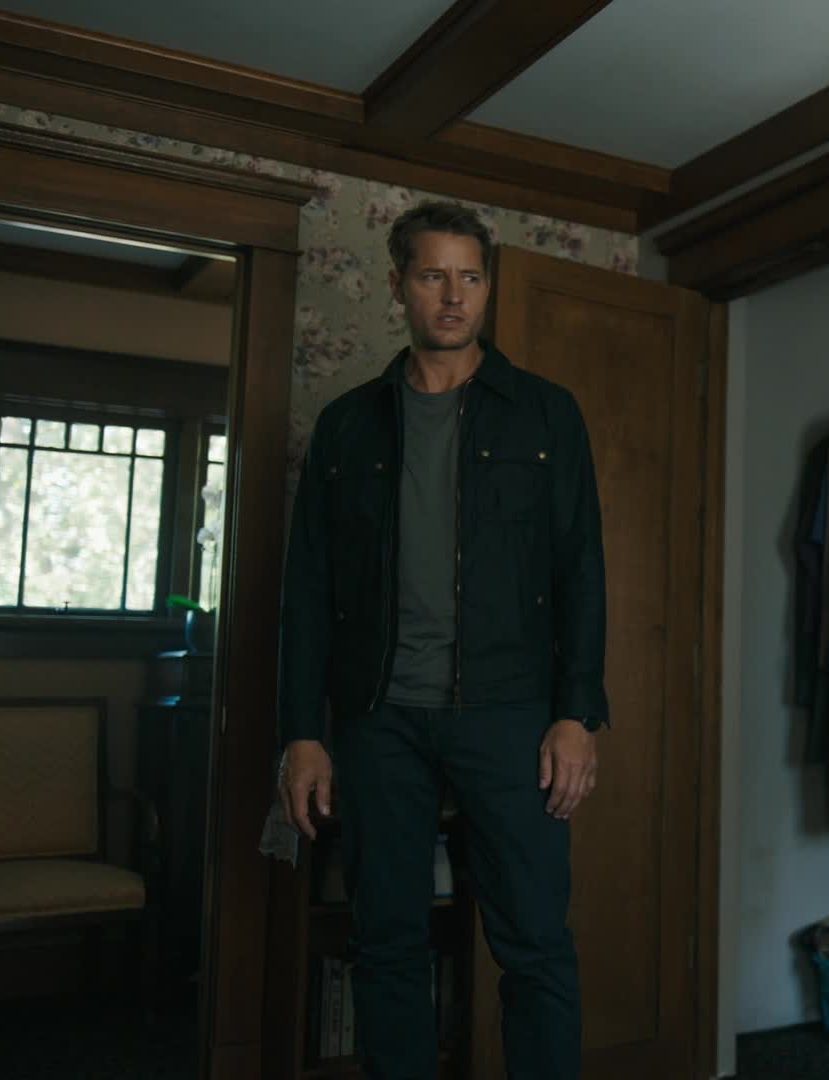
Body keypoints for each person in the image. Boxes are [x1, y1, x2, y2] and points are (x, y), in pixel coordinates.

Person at [276, 201, 608, 1080]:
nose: (454, 297)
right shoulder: (347, 425)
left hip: (509, 714)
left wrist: (576, 715)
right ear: (399, 286)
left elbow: (581, 569)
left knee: (534, 943)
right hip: (378, 717)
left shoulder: (545, 415)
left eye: (470, 277)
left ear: (487, 287)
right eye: (433, 276)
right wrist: (302, 733)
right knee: (385, 939)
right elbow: (307, 591)